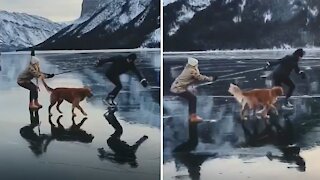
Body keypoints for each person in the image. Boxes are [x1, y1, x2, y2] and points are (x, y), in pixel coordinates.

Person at [170, 57, 217, 123]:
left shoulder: (187, 69)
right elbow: (200, 77)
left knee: (191, 98)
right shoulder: (191, 70)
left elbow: (191, 80)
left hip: (176, 87)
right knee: (193, 99)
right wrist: (210, 79)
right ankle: (193, 117)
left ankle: (191, 116)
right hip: (178, 88)